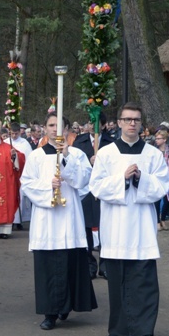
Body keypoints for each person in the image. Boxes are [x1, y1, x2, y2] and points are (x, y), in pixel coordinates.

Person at [89, 101, 169, 336]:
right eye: (127, 119)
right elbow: (96, 187)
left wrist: (141, 178)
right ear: (119, 123)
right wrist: (121, 179)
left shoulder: (153, 155)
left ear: (141, 123)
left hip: (142, 227)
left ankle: (144, 331)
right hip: (115, 226)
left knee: (144, 281)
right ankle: (119, 329)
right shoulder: (106, 153)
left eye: (136, 119)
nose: (132, 123)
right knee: (118, 280)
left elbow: (162, 187)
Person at [21, 112, 97, 331]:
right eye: (51, 125)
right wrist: (48, 189)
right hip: (46, 219)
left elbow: (84, 181)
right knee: (48, 265)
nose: (55, 129)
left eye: (60, 126)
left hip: (69, 217)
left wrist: (65, 160)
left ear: (67, 130)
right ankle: (49, 312)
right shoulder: (36, 156)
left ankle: (67, 305)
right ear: (45, 129)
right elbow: (26, 184)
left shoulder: (77, 155)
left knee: (70, 262)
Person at [72, 114, 114, 279]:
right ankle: (89, 263)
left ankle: (105, 264)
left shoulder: (111, 143)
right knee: (86, 227)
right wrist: (88, 162)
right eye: (90, 122)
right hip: (86, 191)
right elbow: (74, 165)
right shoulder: (79, 142)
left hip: (104, 190)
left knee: (104, 227)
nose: (92, 125)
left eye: (96, 123)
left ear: (103, 125)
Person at [4, 122, 33, 230]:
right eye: (12, 134)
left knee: (20, 197)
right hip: (9, 174)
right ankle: (11, 219)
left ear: (20, 133)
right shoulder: (6, 142)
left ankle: (19, 220)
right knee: (10, 197)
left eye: (16, 133)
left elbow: (29, 159)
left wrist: (18, 157)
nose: (14, 136)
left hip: (21, 173)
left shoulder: (24, 143)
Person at [153, 129, 169, 231]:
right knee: (156, 200)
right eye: (156, 138)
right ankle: (157, 221)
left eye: (159, 138)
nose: (156, 140)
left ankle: (163, 219)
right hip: (156, 177)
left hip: (168, 176)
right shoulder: (153, 150)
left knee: (167, 200)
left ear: (165, 139)